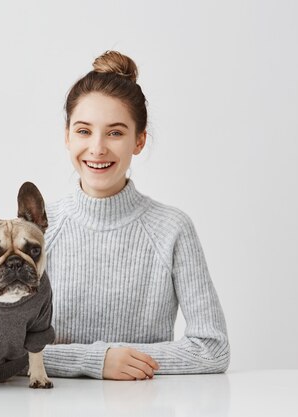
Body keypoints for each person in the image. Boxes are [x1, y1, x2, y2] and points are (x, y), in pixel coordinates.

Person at [41, 50, 230, 380]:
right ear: (67, 136)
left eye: (115, 133)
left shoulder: (172, 228)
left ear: (139, 140)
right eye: (84, 131)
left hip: (146, 405)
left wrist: (122, 360)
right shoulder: (39, 230)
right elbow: (4, 352)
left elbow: (211, 347)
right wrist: (96, 361)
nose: (98, 148)